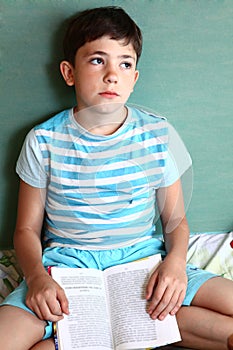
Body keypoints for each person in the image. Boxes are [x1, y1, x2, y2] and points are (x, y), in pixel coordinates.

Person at [0, 6, 232, 350]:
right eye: (97, 60)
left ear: (134, 77)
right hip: (65, 269)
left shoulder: (157, 134)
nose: (112, 75)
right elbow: (26, 230)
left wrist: (175, 264)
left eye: (124, 63)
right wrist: (36, 278)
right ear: (69, 72)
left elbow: (176, 221)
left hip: (143, 264)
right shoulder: (43, 140)